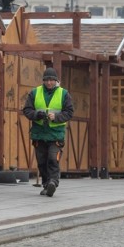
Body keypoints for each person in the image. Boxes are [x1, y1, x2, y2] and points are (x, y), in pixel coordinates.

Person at [22, 67, 74, 197]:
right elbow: (27, 110)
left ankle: (53, 182)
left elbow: (69, 112)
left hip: (56, 134)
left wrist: (56, 118)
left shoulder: (64, 94)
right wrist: (37, 115)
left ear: (56, 80)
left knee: (52, 158)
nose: (49, 83)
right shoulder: (34, 93)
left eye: (51, 80)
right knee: (41, 161)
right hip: (39, 133)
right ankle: (46, 184)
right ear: (43, 81)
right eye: (47, 80)